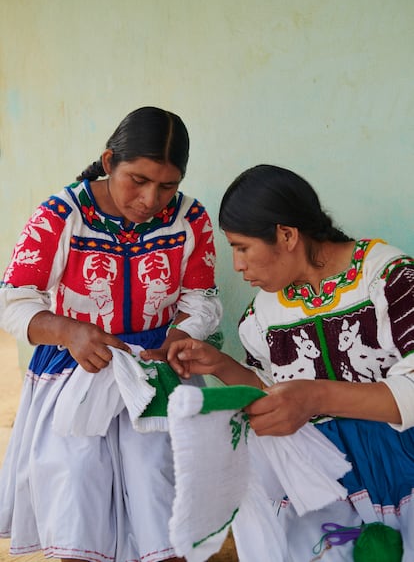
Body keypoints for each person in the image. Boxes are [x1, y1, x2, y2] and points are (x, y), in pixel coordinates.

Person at [150, 164, 414, 561]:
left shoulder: (388, 280)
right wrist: (221, 364)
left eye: (242, 247)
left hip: (402, 469)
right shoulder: (263, 316)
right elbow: (278, 399)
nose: (237, 265)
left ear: (287, 235)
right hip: (327, 485)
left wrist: (317, 397)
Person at [0, 106, 223, 562]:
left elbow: (201, 297)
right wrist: (68, 331)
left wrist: (175, 338)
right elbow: (13, 299)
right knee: (77, 481)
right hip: (74, 369)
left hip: (156, 370)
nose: (150, 198)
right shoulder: (61, 215)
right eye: (137, 180)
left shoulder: (190, 219)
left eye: (167, 185)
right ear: (108, 162)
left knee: (160, 481)